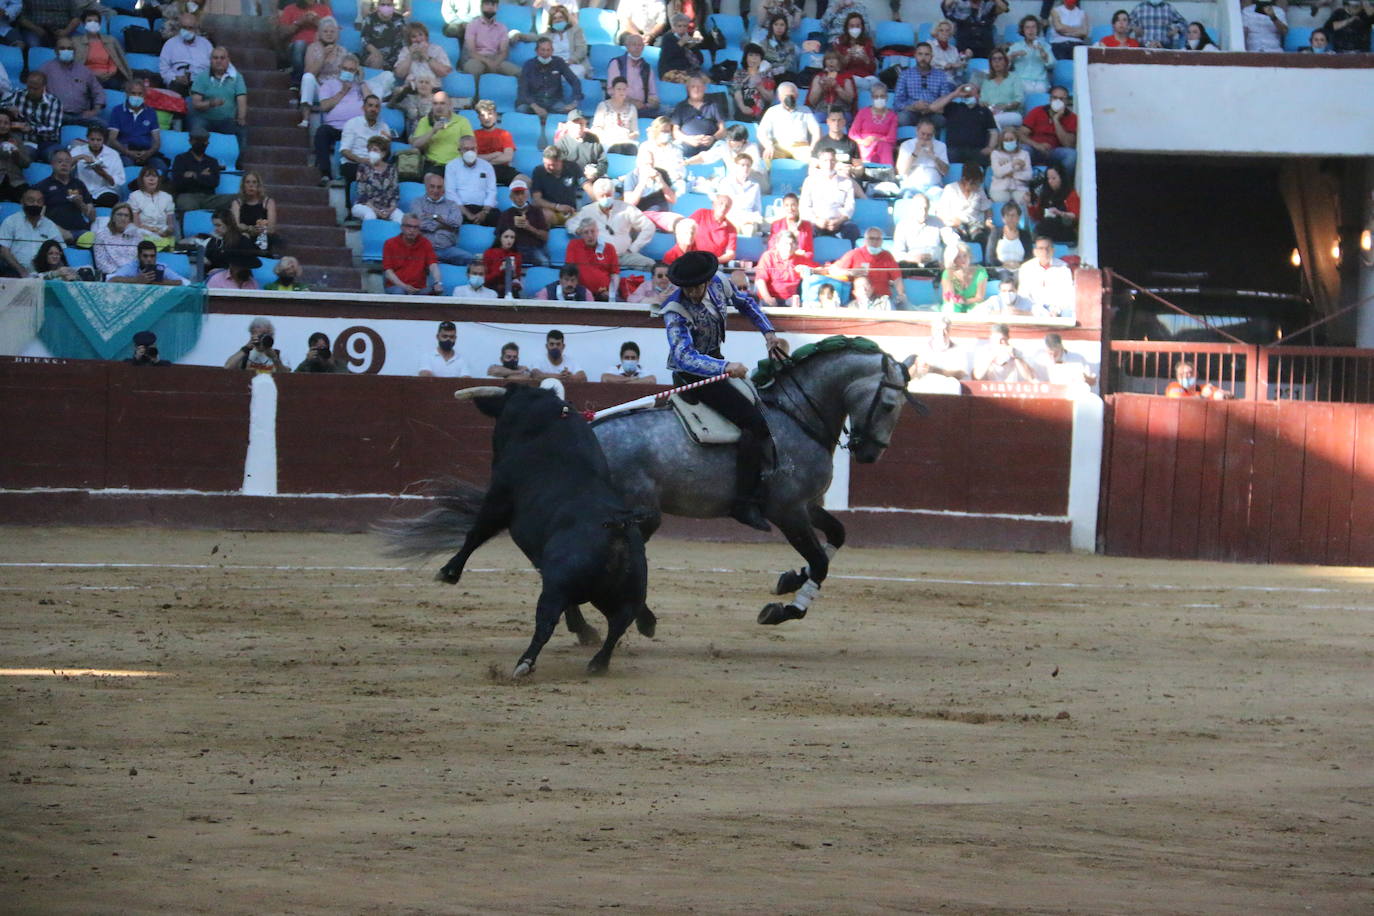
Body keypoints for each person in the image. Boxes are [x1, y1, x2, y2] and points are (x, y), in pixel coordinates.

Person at [660, 250, 787, 531]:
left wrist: (768, 332)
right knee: (755, 422)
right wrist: (724, 367)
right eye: (687, 288)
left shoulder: (719, 283)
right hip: (692, 376)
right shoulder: (674, 310)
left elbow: (746, 303)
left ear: (706, 281)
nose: (692, 292)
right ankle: (743, 502)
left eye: (696, 286)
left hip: (717, 363)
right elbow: (683, 356)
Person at [309, 53, 369, 183]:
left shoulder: (361, 86)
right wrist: (343, 91)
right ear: (340, 68)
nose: (348, 72)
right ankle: (325, 173)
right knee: (321, 132)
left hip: (356, 129)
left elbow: (372, 104)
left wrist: (362, 81)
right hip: (335, 127)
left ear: (356, 71)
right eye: (345, 69)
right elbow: (324, 106)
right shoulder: (329, 84)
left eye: (351, 70)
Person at [576, 177, 656, 270]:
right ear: (596, 196)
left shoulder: (627, 208)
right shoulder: (587, 210)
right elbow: (572, 224)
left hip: (624, 256)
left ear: (613, 194)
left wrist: (634, 248)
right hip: (597, 257)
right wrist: (577, 229)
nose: (605, 198)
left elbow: (649, 227)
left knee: (652, 265)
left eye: (608, 195)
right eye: (602, 196)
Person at [821, 226, 910, 310]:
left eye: (878, 239)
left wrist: (901, 293)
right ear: (865, 240)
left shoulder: (887, 256)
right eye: (871, 238)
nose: (875, 242)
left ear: (882, 241)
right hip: (861, 299)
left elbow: (897, 278)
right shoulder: (855, 254)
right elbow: (833, 270)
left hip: (883, 300)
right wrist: (851, 273)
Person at [186, 47, 247, 166]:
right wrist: (211, 103)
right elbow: (196, 103)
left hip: (226, 120)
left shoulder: (237, 77)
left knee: (242, 130)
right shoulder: (202, 76)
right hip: (203, 118)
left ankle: (238, 164)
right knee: (196, 131)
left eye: (222, 58)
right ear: (210, 60)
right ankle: (194, 162)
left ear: (228, 60)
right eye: (215, 58)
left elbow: (241, 99)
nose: (219, 61)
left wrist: (241, 117)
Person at [408, 171, 472, 265]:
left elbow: (456, 223)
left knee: (473, 260)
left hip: (447, 250)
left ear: (444, 189)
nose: (435, 190)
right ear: (426, 187)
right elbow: (418, 223)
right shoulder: (417, 202)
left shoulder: (452, 205)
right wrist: (441, 224)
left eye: (439, 187)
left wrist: (435, 217)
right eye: (432, 186)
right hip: (424, 249)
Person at [39, 34, 103, 126]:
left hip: (81, 115)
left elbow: (98, 91)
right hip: (57, 114)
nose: (66, 51)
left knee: (102, 126)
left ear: (74, 51)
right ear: (56, 51)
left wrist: (95, 110)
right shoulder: (46, 68)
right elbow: (36, 89)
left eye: (70, 48)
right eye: (62, 48)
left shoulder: (84, 70)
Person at [0, 187, 65, 273]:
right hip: (16, 271)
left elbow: (60, 250)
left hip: (44, 273)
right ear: (22, 202)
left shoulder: (50, 225)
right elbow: (4, 250)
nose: (35, 204)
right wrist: (22, 271)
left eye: (39, 201)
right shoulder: (11, 222)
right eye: (31, 200)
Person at [339, 92, 395, 190]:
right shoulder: (352, 123)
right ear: (363, 108)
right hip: (354, 163)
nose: (373, 109)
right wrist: (361, 160)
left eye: (377, 107)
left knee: (391, 171)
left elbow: (385, 154)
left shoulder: (384, 127)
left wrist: (388, 145)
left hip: (376, 164)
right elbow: (344, 150)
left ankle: (384, 202)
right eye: (370, 105)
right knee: (365, 171)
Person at [800, 148, 858, 241]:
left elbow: (850, 206)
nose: (829, 164)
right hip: (817, 222)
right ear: (819, 162)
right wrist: (817, 220)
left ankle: (847, 254)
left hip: (839, 223)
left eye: (832, 160)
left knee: (852, 229)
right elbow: (804, 207)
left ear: (836, 162)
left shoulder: (846, 182)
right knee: (805, 231)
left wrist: (839, 221)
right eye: (825, 161)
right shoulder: (810, 181)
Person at [106, 78, 164, 170]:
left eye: (140, 94)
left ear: (144, 95)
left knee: (161, 166)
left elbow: (157, 141)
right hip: (125, 152)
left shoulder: (151, 112)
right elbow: (112, 139)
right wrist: (128, 152)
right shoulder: (117, 111)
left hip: (146, 152)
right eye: (133, 93)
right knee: (127, 166)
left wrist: (148, 153)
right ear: (127, 94)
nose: (137, 96)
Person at [894, 43, 956, 129]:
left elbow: (944, 100)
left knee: (941, 120)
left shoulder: (941, 75)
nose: (923, 58)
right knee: (901, 118)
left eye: (927, 54)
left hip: (932, 112)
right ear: (915, 55)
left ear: (932, 56)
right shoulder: (905, 75)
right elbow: (897, 102)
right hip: (911, 112)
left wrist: (930, 108)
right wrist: (913, 107)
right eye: (920, 54)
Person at [516, 36, 582, 116]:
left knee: (569, 112)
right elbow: (523, 89)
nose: (545, 53)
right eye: (542, 50)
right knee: (522, 109)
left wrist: (575, 101)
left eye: (548, 50)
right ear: (536, 51)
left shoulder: (559, 62)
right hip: (533, 102)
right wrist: (535, 107)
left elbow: (574, 80)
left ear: (552, 51)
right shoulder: (528, 65)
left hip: (553, 101)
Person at [935, 162, 992, 255]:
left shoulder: (979, 190)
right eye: (974, 183)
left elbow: (988, 209)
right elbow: (940, 213)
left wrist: (988, 220)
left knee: (982, 237)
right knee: (953, 238)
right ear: (965, 180)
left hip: (974, 225)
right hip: (956, 225)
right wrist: (953, 222)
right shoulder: (950, 189)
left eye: (978, 183)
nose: (977, 186)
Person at [4, 72, 63, 160]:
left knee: (59, 158)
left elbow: (53, 129)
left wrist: (32, 128)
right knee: (21, 154)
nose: (31, 91)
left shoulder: (54, 102)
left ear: (43, 87)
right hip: (25, 141)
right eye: (29, 87)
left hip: (47, 142)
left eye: (35, 89)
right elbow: (2, 105)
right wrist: (8, 109)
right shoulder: (18, 95)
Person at [411, 91, 474, 173]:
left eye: (442, 103)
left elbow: (470, 145)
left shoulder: (462, 121)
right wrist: (433, 131)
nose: (439, 107)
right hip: (433, 164)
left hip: (457, 165)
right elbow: (416, 144)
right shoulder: (425, 121)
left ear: (450, 105)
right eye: (435, 104)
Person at [33, 149, 93, 235]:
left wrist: (81, 204)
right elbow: (39, 217)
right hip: (54, 232)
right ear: (52, 165)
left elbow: (91, 217)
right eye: (60, 161)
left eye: (67, 162)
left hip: (80, 230)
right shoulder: (42, 186)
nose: (64, 164)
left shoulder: (79, 184)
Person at [756, 82, 820, 162]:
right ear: (779, 97)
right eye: (786, 96)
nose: (790, 98)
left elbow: (816, 131)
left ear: (797, 96)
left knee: (815, 161)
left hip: (800, 147)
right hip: (779, 147)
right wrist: (768, 146)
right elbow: (761, 132)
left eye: (792, 95)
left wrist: (812, 148)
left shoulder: (805, 110)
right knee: (767, 157)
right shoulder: (772, 111)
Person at [73, 7, 134, 90]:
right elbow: (76, 65)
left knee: (118, 86)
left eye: (96, 21)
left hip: (109, 76)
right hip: (87, 77)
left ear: (100, 24)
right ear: (83, 24)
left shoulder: (110, 40)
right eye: (89, 21)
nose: (93, 23)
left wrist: (110, 72)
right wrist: (94, 74)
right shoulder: (76, 42)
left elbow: (114, 60)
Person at [383, 213, 444, 295]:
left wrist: (437, 282)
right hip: (397, 286)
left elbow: (433, 265)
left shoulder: (425, 243)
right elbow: (388, 272)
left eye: (415, 227)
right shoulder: (390, 243)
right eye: (409, 226)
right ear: (402, 227)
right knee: (399, 292)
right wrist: (404, 286)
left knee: (435, 291)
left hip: (419, 289)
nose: (412, 230)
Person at [1021, 85, 1077, 172]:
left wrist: (1056, 120)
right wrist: (1037, 145)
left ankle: (1058, 181)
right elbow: (1021, 134)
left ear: (1067, 101)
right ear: (1050, 99)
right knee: (1023, 149)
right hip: (1035, 149)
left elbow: (1068, 144)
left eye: (1061, 99)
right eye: (1055, 98)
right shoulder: (1038, 111)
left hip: (1054, 152)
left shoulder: (1072, 117)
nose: (1058, 101)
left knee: (1072, 155)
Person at [940, 82, 998, 168]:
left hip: (977, 150)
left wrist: (990, 147)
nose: (968, 93)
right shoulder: (953, 107)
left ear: (978, 95)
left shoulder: (985, 111)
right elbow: (934, 108)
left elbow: (993, 131)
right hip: (955, 149)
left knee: (985, 159)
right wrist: (954, 94)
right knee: (949, 156)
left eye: (971, 91)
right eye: (966, 91)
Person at [495, 178, 550, 267]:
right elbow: (499, 237)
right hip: (514, 249)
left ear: (527, 195)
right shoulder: (505, 214)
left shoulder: (536, 211)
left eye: (522, 193)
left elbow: (545, 237)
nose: (520, 197)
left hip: (534, 247)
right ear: (511, 197)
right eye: (516, 194)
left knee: (544, 262)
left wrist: (529, 227)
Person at [754, 229, 816, 308]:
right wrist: (767, 298)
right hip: (771, 298)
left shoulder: (801, 259)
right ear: (777, 244)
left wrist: (809, 270)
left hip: (793, 300)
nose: (789, 247)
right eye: (785, 243)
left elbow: (820, 270)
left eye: (792, 243)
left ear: (796, 245)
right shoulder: (768, 256)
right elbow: (760, 280)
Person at [1017, 235, 1075, 317]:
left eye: (1048, 248)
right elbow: (1023, 295)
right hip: (1034, 311)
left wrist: (1057, 310)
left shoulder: (1063, 267)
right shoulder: (1026, 268)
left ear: (1053, 250)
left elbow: (1068, 294)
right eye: (1041, 248)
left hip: (1057, 311)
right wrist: (1038, 311)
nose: (1045, 251)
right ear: (1035, 252)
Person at [563, 216, 619, 300]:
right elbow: (569, 270)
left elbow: (615, 274)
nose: (590, 235)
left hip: (604, 294)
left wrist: (612, 293)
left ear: (597, 232)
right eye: (586, 232)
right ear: (581, 234)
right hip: (580, 293)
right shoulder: (573, 245)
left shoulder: (609, 248)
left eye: (592, 231)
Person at [671, 75, 725, 158]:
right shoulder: (680, 106)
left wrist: (713, 138)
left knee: (724, 147)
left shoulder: (713, 105)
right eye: (693, 87)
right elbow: (675, 131)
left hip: (710, 148)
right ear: (688, 89)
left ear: (704, 88)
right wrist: (688, 139)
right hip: (686, 145)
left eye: (699, 87)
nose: (696, 89)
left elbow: (723, 129)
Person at [606, 34, 660, 117]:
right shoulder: (617, 63)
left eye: (640, 45)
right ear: (627, 46)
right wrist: (631, 102)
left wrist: (654, 101)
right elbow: (611, 90)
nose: (637, 47)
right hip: (622, 105)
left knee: (667, 112)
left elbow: (652, 93)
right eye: (634, 44)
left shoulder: (647, 67)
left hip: (643, 107)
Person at [553, 109, 606, 192]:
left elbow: (603, 162)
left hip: (592, 179)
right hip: (570, 180)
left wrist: (596, 172)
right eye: (575, 123)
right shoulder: (562, 143)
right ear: (568, 125)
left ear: (585, 124)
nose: (578, 126)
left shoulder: (593, 139)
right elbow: (558, 167)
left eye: (581, 123)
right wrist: (581, 176)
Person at [159, 13, 213, 96]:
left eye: (190, 28)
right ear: (179, 28)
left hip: (202, 83)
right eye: (184, 27)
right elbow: (164, 70)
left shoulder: (206, 44)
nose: (187, 30)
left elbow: (214, 66)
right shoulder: (170, 44)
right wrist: (175, 78)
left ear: (196, 29)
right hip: (178, 83)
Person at [462, 0, 519, 77]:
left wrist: (495, 63)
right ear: (481, 7)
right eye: (487, 4)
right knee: (475, 69)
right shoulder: (472, 25)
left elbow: (504, 52)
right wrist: (488, 62)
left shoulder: (502, 28)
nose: (490, 7)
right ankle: (475, 89)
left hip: (496, 59)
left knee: (519, 72)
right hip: (476, 59)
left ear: (497, 8)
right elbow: (471, 51)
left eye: (493, 5)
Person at [907, 315, 970, 383]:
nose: (943, 333)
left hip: (949, 389)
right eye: (939, 330)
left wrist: (934, 370)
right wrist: (916, 367)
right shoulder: (921, 347)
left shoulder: (958, 350)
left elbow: (961, 374)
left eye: (946, 329)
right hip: (925, 386)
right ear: (933, 330)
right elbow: (908, 375)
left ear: (949, 330)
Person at [714, 154, 764, 238]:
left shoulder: (755, 185)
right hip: (732, 216)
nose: (745, 168)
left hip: (749, 217)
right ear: (736, 166)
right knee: (734, 227)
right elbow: (721, 204)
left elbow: (757, 207)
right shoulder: (725, 182)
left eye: (748, 165)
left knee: (750, 229)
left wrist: (755, 217)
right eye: (742, 165)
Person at [531, 144, 581, 228]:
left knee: (590, 216)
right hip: (551, 212)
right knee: (544, 215)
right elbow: (537, 200)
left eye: (553, 164)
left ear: (560, 161)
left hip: (571, 212)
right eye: (546, 164)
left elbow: (586, 185)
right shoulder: (539, 171)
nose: (549, 167)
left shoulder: (573, 168)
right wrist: (557, 207)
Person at [974, 49, 1025, 131]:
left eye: (1000, 59)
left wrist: (1005, 107)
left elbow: (1019, 100)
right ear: (991, 63)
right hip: (991, 113)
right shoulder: (987, 81)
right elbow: (982, 100)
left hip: (1011, 113)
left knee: (992, 121)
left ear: (1005, 61)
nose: (996, 62)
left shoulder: (1014, 77)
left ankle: (996, 141)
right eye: (994, 59)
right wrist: (985, 104)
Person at [896, 118, 949, 194]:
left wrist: (933, 156)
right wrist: (915, 152)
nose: (925, 137)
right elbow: (901, 171)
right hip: (912, 186)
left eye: (929, 135)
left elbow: (945, 171)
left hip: (934, 187)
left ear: (933, 134)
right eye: (923, 134)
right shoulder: (906, 145)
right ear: (917, 131)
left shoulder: (941, 146)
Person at [279, 0, 332, 77]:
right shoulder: (289, 9)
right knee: (300, 44)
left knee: (321, 48)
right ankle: (298, 80)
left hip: (318, 46)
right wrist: (299, 22)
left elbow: (332, 31)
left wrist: (318, 22)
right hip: (296, 47)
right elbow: (282, 33)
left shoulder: (324, 9)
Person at [893, 193, 944, 271]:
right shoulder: (902, 226)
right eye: (920, 208)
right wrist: (913, 258)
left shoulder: (938, 222)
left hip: (936, 265)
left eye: (926, 208)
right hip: (912, 265)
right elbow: (897, 253)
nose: (923, 212)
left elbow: (953, 241)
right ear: (913, 208)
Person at [230, 172, 278, 255]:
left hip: (262, 238)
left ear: (259, 185)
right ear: (243, 185)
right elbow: (235, 226)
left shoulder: (268, 202)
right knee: (242, 238)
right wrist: (251, 229)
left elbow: (271, 229)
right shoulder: (237, 203)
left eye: (254, 182)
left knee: (265, 239)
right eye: (247, 182)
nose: (251, 185)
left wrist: (248, 228)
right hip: (243, 239)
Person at [1029, 164, 1079, 243]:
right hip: (1046, 229)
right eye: (1048, 178)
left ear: (1061, 178)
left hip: (1064, 228)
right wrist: (1030, 204)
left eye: (1054, 178)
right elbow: (1038, 216)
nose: (1050, 181)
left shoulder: (1070, 194)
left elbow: (1074, 216)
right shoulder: (1045, 194)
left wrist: (1059, 213)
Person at [107, 239, 192, 286]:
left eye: (152, 256)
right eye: (145, 256)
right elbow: (111, 280)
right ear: (139, 256)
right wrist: (136, 280)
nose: (149, 259)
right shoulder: (132, 266)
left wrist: (160, 282)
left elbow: (182, 282)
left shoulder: (160, 267)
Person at [850, 83, 897, 165]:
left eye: (882, 96)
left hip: (883, 146)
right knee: (862, 148)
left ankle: (886, 171)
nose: (879, 99)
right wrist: (863, 141)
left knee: (885, 146)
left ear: (886, 97)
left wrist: (875, 139)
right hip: (864, 145)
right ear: (872, 98)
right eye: (876, 97)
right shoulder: (863, 112)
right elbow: (853, 133)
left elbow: (891, 138)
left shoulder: (892, 116)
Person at [128, 166, 177, 245]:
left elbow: (170, 224)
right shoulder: (134, 196)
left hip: (162, 233)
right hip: (143, 232)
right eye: (147, 176)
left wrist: (167, 231)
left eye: (154, 176)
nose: (152, 179)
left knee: (170, 236)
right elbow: (136, 224)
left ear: (158, 179)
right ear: (141, 180)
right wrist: (153, 230)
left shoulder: (167, 197)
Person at [395, 21, 453, 87]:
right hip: (412, 87)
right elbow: (399, 74)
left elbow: (444, 72)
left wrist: (427, 57)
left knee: (441, 96)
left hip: (432, 87)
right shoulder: (406, 50)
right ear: (409, 40)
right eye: (413, 37)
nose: (418, 39)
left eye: (420, 34)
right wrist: (410, 56)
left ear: (426, 36)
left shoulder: (437, 49)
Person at [92, 202, 143, 277]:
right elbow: (101, 263)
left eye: (126, 215)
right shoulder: (101, 235)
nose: (123, 218)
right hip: (112, 275)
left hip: (134, 275)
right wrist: (119, 274)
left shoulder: (137, 236)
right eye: (119, 214)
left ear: (130, 219)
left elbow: (140, 260)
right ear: (113, 217)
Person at [472, 99, 517, 184]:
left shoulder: (505, 134)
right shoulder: (473, 135)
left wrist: (485, 160)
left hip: (501, 169)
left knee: (524, 180)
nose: (487, 118)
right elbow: (473, 158)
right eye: (482, 115)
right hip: (479, 170)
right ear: (479, 118)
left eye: (490, 114)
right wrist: (495, 154)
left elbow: (508, 157)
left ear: (495, 115)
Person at [731, 43, 776, 124]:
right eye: (751, 55)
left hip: (763, 107)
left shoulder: (767, 74)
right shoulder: (739, 73)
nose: (754, 58)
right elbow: (737, 91)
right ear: (746, 58)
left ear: (761, 59)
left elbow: (770, 98)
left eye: (757, 55)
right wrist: (742, 107)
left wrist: (759, 85)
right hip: (745, 105)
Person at [1008, 16, 1054, 94]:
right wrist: (1013, 55)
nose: (1031, 30)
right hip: (1021, 80)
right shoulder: (1015, 46)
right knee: (1019, 89)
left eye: (1034, 27)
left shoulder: (1045, 46)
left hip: (1040, 81)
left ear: (1037, 29)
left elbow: (1052, 65)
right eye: (1027, 27)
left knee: (1041, 90)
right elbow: (1004, 64)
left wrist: (1042, 51)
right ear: (1023, 30)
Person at [687, 194, 738, 263]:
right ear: (714, 204)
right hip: (692, 259)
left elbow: (730, 254)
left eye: (727, 206)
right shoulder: (701, 214)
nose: (723, 208)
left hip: (714, 264)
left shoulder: (731, 229)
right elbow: (684, 230)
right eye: (721, 203)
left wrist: (713, 262)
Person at [806, 52, 856, 120]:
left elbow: (850, 100)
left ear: (840, 62)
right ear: (825, 63)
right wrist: (821, 87)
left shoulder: (847, 78)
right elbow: (812, 101)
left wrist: (837, 87)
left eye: (834, 59)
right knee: (815, 119)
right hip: (823, 110)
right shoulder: (819, 77)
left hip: (842, 111)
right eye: (828, 59)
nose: (831, 61)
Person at [541, 5, 588, 80]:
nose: (558, 20)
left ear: (566, 19)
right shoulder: (548, 34)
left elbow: (582, 50)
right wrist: (520, 35)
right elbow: (534, 37)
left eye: (561, 17)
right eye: (554, 18)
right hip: (555, 65)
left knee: (571, 74)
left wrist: (570, 61)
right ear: (551, 22)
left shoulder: (576, 30)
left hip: (573, 64)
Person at [940, 241, 988, 312]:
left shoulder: (980, 272)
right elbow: (948, 298)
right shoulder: (947, 273)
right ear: (953, 259)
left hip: (972, 305)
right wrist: (950, 272)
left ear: (969, 256)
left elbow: (979, 298)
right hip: (954, 306)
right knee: (950, 307)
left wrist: (964, 301)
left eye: (965, 255)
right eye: (958, 257)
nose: (963, 259)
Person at [990, 129, 1032, 206]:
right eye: (1006, 140)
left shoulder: (1025, 154)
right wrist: (1013, 164)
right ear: (1002, 142)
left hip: (1020, 188)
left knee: (1026, 200)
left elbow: (1028, 175)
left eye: (1011, 139)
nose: (1008, 142)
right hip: (1000, 188)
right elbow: (998, 173)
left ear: (1017, 140)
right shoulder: (995, 154)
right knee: (1002, 202)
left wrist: (1012, 175)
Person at [659, 13, 705, 83]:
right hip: (670, 71)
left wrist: (693, 46)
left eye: (685, 26)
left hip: (688, 71)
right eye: (679, 26)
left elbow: (700, 60)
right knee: (695, 82)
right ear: (673, 27)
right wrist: (682, 42)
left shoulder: (688, 38)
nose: (682, 28)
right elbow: (668, 56)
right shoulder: (668, 38)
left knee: (708, 81)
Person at [360, 0, 406, 70]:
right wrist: (376, 53)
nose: (386, 7)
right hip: (374, 53)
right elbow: (364, 40)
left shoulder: (399, 18)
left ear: (393, 6)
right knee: (377, 59)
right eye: (383, 4)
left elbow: (404, 38)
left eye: (389, 5)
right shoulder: (370, 18)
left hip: (395, 55)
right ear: (378, 6)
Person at [768, 192, 814, 260]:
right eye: (787, 205)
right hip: (782, 261)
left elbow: (810, 253)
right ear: (783, 207)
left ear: (798, 206)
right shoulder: (776, 225)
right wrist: (792, 253)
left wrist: (802, 255)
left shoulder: (807, 226)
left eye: (793, 205)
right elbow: (771, 249)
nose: (790, 208)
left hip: (801, 262)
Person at [990, 202, 1035, 270]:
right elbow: (991, 257)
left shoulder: (1025, 235)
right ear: (1003, 218)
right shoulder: (996, 233)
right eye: (1007, 215)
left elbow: (1029, 257)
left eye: (1013, 215)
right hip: (1000, 270)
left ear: (1019, 218)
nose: (1010, 218)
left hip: (1021, 270)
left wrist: (1019, 264)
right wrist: (1003, 264)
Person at [481, 227, 523, 298]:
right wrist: (500, 270)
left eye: (512, 237)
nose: (509, 240)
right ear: (500, 238)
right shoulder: (489, 253)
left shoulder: (517, 255)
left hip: (510, 290)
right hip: (491, 289)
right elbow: (485, 279)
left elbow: (517, 280)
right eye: (506, 237)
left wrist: (514, 275)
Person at [1165, 358, 1232, 399]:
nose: (1185, 376)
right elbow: (1179, 399)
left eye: (1190, 373)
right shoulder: (1173, 386)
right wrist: (1202, 396)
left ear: (1196, 374)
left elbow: (1226, 394)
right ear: (1177, 376)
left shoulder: (1203, 388)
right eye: (1181, 374)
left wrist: (1224, 395)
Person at [0, 111, 28, 204]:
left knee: (30, 200)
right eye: (0, 122)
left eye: (6, 123)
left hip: (15, 181)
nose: (2, 126)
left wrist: (17, 153)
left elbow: (26, 163)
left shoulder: (15, 139)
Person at [760, 13, 799, 80]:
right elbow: (761, 61)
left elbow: (789, 62)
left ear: (786, 27)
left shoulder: (790, 45)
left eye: (782, 25)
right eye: (776, 24)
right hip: (767, 74)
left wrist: (781, 69)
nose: (779, 27)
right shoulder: (763, 43)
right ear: (771, 26)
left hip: (783, 74)